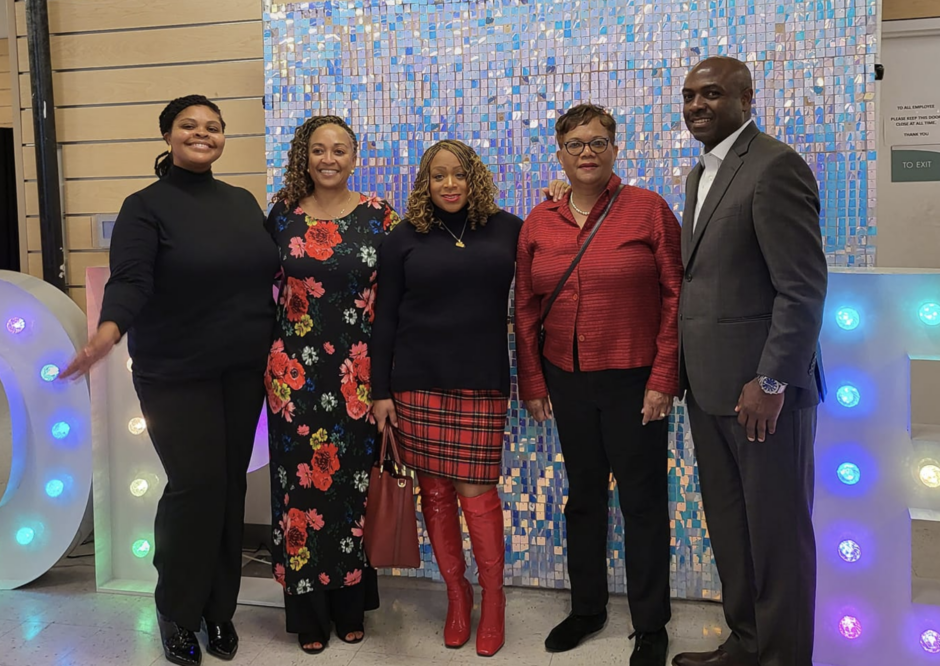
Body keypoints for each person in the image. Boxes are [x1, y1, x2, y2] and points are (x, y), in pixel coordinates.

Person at [60, 95, 279, 666]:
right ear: (167, 135)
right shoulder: (145, 206)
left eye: (213, 127)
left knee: (230, 484)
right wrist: (107, 331)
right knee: (196, 484)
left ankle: (218, 610)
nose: (201, 134)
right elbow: (132, 281)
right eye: (189, 126)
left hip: (242, 367)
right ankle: (177, 610)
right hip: (175, 371)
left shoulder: (241, 201)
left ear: (223, 138)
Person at [672, 57, 827, 666]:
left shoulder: (775, 165)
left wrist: (771, 379)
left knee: (778, 540)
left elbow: (803, 287)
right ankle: (746, 643)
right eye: (688, 96)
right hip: (709, 392)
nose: (696, 105)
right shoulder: (699, 175)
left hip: (764, 397)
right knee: (733, 534)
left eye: (711, 93)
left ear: (745, 98)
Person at [514, 103, 681, 666]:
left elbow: (676, 297)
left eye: (597, 142)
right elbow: (526, 307)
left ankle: (651, 623)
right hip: (566, 378)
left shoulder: (649, 211)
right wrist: (533, 379)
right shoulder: (539, 222)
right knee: (583, 497)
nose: (586, 152)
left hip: (635, 378)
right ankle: (587, 608)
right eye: (575, 144)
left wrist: (664, 377)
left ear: (615, 148)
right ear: (559, 154)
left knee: (642, 501)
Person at [370, 139, 522, 657]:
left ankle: (493, 599)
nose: (449, 184)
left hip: (481, 380)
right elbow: (384, 317)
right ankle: (457, 597)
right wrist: (380, 391)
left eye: (458, 174)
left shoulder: (509, 227)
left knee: (477, 493)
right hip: (416, 381)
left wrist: (562, 196)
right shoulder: (404, 237)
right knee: (434, 493)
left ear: (474, 177)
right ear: (425, 183)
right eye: (438, 176)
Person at [264, 115, 400, 654]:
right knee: (299, 493)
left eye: (339, 149)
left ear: (354, 155)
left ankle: (350, 605)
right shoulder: (281, 216)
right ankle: (308, 616)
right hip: (292, 376)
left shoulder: (380, 218)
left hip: (357, 377)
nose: (329, 159)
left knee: (349, 493)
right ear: (305, 155)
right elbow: (252, 288)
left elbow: (394, 302)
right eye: (318, 149)